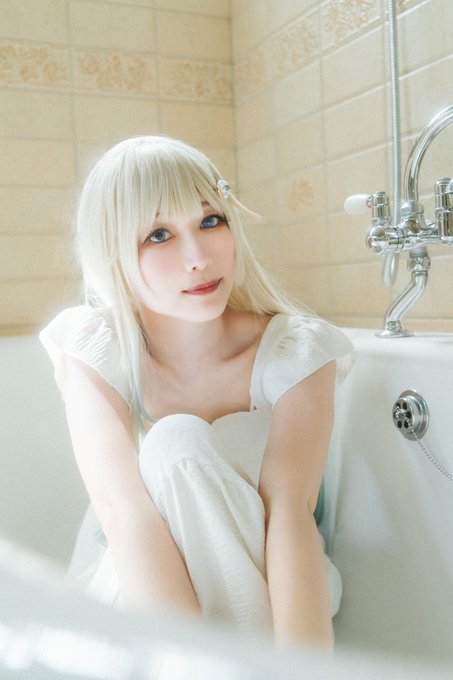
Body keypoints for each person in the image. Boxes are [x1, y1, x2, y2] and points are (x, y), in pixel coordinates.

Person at [40, 135, 353, 649]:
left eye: (210, 221)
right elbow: (124, 512)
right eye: (159, 234)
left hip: (274, 587)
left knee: (180, 442)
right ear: (113, 250)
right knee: (175, 442)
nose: (198, 257)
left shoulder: (294, 351)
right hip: (145, 590)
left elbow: (291, 511)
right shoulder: (98, 349)